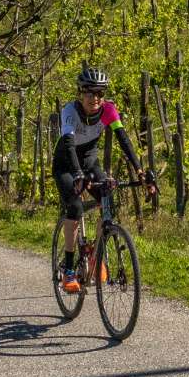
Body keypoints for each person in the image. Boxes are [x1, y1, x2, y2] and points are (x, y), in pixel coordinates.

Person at [54, 66, 156, 293]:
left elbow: (124, 140)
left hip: (90, 161)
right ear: (81, 93)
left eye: (100, 94)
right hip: (66, 164)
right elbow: (69, 145)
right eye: (90, 93)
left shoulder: (109, 110)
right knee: (75, 206)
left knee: (107, 197)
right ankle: (69, 269)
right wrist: (77, 174)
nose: (95, 99)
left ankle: (96, 256)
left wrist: (140, 172)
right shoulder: (70, 111)